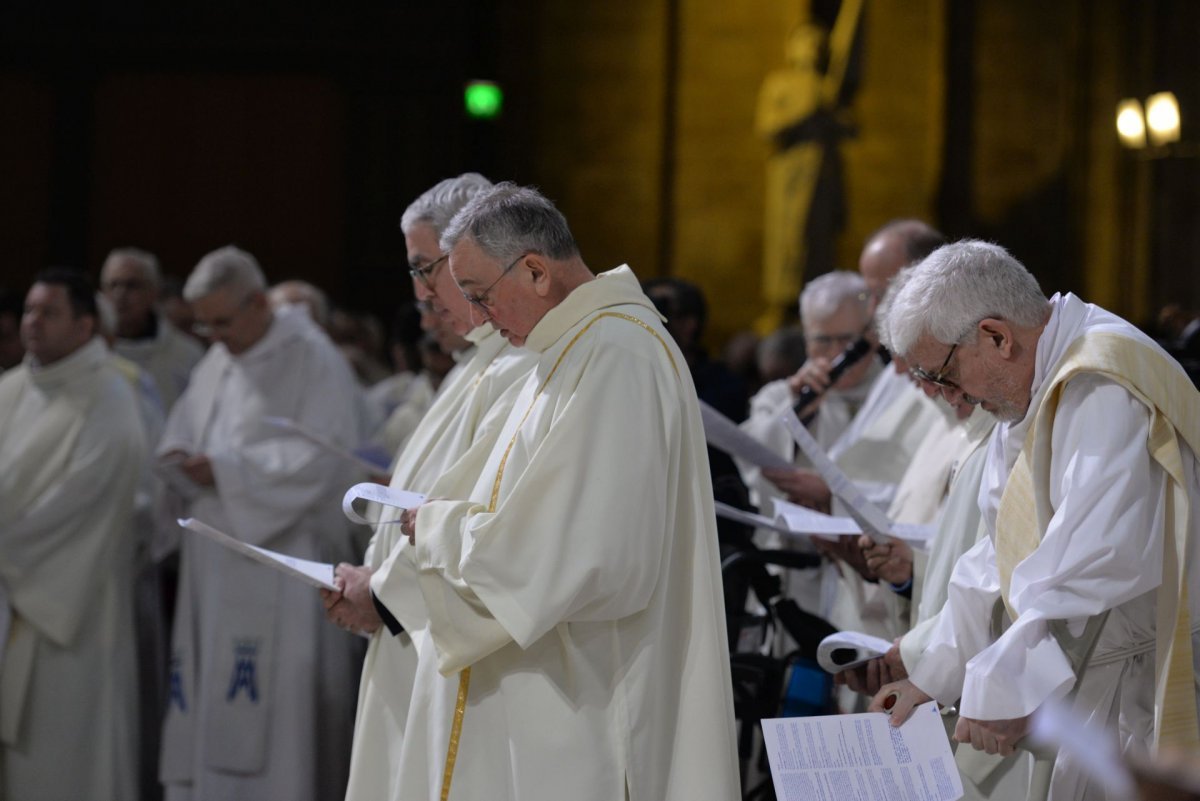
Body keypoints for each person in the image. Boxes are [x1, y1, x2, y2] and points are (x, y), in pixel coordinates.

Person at [350, 182, 739, 800]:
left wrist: (438, 528)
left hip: (583, 694)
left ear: (534, 271)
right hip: (544, 684)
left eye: (480, 296)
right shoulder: (567, 349)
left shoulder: (616, 354)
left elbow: (589, 553)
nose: (475, 318)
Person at [871, 240, 1200, 799]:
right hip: (1104, 672)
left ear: (996, 336)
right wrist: (934, 675)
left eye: (944, 374)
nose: (952, 397)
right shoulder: (1040, 381)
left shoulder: (1102, 382)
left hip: (1151, 678)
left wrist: (1007, 685)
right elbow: (1002, 551)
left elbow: (1094, 559)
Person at [322, 172, 537, 801]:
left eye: (427, 268)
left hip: (454, 648)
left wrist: (385, 595)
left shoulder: (519, 368)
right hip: (415, 637)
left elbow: (501, 529)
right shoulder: (477, 366)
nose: (421, 294)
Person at [157, 246, 365, 801]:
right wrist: (179, 453)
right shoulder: (221, 356)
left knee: (280, 732)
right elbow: (185, 424)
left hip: (282, 561)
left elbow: (325, 458)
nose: (214, 335)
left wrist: (224, 469)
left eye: (223, 321)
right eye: (205, 324)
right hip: (216, 558)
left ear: (256, 303)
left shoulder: (312, 357)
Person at [0, 269, 144, 800]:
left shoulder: (110, 396)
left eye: (49, 312)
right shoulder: (12, 387)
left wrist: (6, 557)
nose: (32, 322)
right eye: (30, 311)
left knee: (66, 757)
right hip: (12, 598)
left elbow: (84, 502)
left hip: (66, 607)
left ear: (85, 325)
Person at [101, 247, 206, 411]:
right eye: (113, 285)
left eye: (132, 285)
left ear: (153, 292)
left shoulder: (187, 354)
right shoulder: (89, 351)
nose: (120, 294)